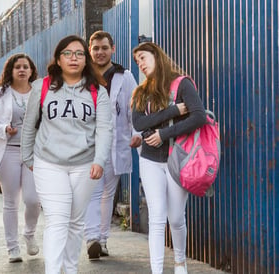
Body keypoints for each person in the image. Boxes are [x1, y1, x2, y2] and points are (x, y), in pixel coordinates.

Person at [21, 35, 113, 274]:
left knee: (75, 223)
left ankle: (70, 269)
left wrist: (99, 160)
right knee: (57, 219)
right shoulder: (42, 86)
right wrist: (28, 158)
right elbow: (30, 124)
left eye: (79, 54)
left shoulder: (97, 91)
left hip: (84, 164)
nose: (74, 58)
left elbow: (104, 129)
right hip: (49, 162)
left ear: (86, 59)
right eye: (68, 54)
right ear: (58, 60)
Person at [131, 42, 207, 274]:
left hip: (176, 159)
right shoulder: (141, 92)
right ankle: (157, 271)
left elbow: (199, 117)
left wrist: (164, 133)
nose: (141, 64)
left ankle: (180, 262)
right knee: (157, 217)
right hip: (150, 160)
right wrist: (173, 111)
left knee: (175, 217)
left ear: (156, 55)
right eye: (137, 62)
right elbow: (138, 123)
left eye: (143, 57)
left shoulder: (181, 83)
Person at [84, 30, 141, 259]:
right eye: (96, 48)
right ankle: (91, 238)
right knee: (92, 191)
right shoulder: (82, 76)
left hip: (116, 142)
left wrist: (137, 132)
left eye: (104, 48)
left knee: (108, 194)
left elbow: (133, 107)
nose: (100, 52)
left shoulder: (124, 76)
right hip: (89, 143)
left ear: (113, 49)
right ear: (90, 50)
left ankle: (102, 240)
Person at [0, 54, 41, 262]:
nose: (22, 70)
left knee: (33, 200)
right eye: (18, 67)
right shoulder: (0, 94)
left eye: (26, 67)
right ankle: (12, 248)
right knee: (10, 201)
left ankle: (29, 234)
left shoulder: (40, 93)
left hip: (34, 153)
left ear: (32, 71)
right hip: (9, 151)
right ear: (11, 71)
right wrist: (3, 128)